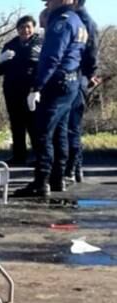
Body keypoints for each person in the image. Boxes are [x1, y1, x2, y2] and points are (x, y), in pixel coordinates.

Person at [15, 0, 88, 197]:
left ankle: (41, 181)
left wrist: (37, 86)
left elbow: (52, 58)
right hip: (71, 81)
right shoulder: (76, 20)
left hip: (56, 83)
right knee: (60, 132)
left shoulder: (61, 22)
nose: (48, 4)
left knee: (42, 132)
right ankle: (57, 178)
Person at [0, 15, 43, 166]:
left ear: (33, 27)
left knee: (34, 125)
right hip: (12, 90)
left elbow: (42, 67)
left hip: (31, 91)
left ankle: (40, 156)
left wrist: (37, 88)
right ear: (17, 29)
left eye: (28, 26)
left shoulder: (40, 43)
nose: (25, 30)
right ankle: (19, 156)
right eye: (22, 27)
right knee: (16, 124)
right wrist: (0, 60)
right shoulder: (10, 44)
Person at [66, 0, 99, 183]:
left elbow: (92, 50)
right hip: (78, 76)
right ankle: (75, 168)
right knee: (72, 127)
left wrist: (88, 73)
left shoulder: (82, 20)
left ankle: (72, 168)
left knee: (72, 127)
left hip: (77, 77)